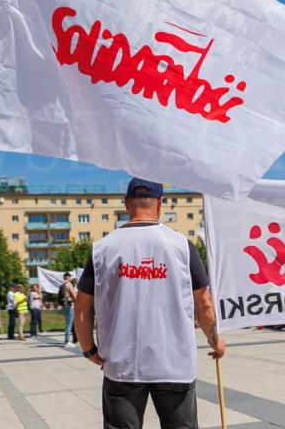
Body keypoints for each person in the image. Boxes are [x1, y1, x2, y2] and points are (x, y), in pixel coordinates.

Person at [75, 178, 226, 429]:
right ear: (160, 203)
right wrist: (215, 340)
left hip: (122, 364)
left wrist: (90, 350)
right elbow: (204, 304)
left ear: (126, 204)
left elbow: (81, 308)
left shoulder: (102, 249)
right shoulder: (182, 246)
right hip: (174, 363)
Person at [59, 272, 76, 347]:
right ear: (68, 277)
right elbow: (74, 295)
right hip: (69, 305)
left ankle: (67, 340)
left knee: (67, 323)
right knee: (69, 324)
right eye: (70, 277)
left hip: (64, 305)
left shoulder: (62, 285)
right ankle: (67, 341)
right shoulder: (69, 284)